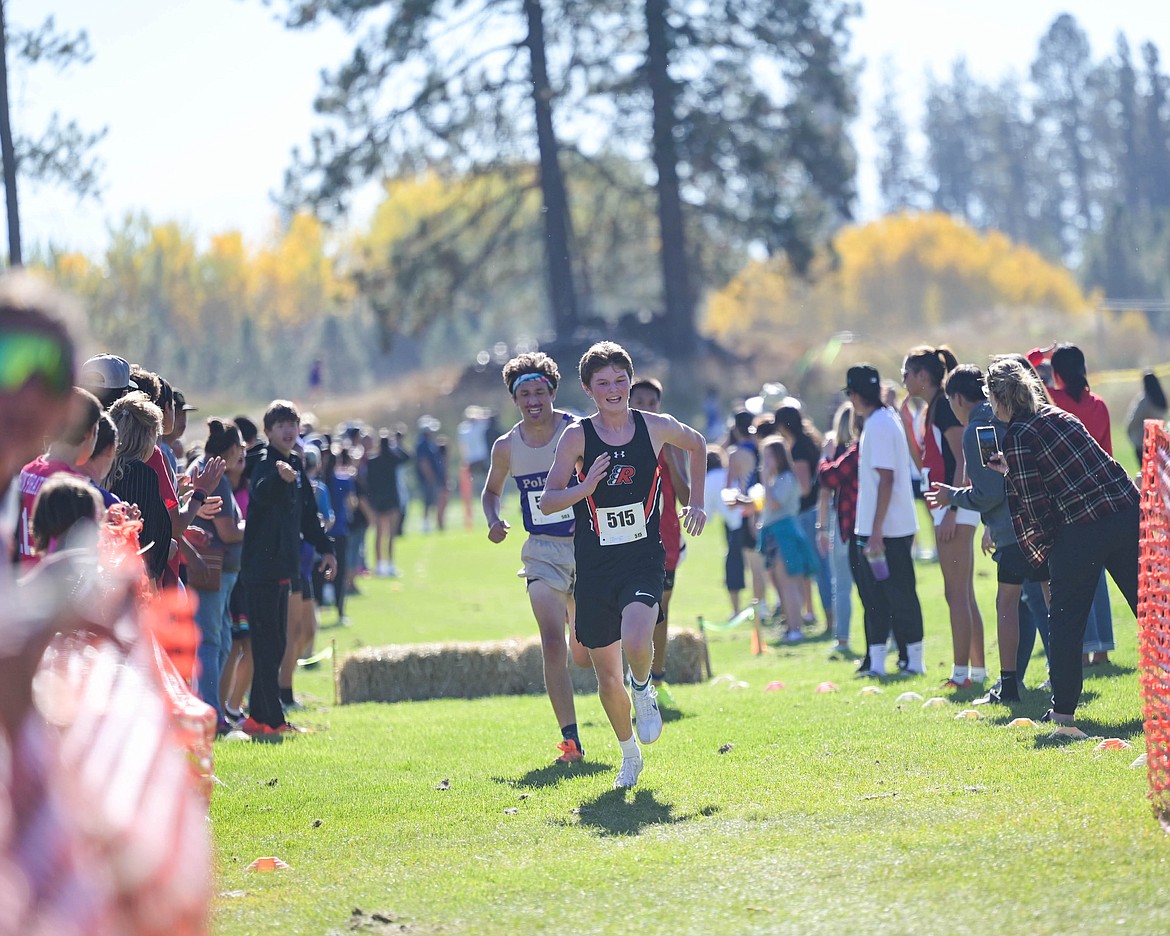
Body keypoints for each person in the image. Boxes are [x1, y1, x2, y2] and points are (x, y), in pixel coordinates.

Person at [541, 341, 707, 790]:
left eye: (620, 381)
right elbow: (550, 498)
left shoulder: (653, 427)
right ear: (588, 389)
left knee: (637, 640)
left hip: (642, 555)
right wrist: (586, 485)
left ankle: (645, 688)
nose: (614, 390)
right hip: (595, 564)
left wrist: (700, 503)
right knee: (604, 675)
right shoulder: (577, 436)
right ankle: (629, 755)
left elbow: (698, 444)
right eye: (603, 383)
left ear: (630, 382)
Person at [985, 358, 1139, 730]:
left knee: (1066, 623)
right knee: (1151, 611)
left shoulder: (1016, 435)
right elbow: (1089, 465)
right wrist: (1015, 468)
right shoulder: (1059, 416)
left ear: (999, 399)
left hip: (1082, 527)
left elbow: (1036, 508)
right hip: (1125, 511)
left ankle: (1064, 714)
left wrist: (1047, 551)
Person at [482, 352, 589, 763]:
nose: (533, 401)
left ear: (552, 393)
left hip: (586, 547)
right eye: (524, 393)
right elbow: (491, 491)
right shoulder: (506, 446)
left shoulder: (575, 431)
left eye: (540, 392)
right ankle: (571, 740)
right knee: (551, 641)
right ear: (514, 398)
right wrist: (493, 519)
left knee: (586, 651)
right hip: (541, 550)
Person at [926, 364, 1050, 705]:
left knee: (1007, 603)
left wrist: (951, 495)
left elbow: (992, 491)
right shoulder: (1013, 413)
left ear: (955, 398)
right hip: (1041, 523)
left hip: (1014, 530)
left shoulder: (977, 428)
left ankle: (1009, 685)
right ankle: (1065, 677)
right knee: (1049, 601)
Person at [238, 400, 337, 736]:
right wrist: (280, 480)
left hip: (285, 567)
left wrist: (326, 548)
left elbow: (309, 517)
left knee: (278, 643)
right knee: (267, 644)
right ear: (267, 431)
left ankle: (265, 717)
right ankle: (265, 720)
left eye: (291, 423)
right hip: (261, 570)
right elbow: (261, 494)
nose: (287, 429)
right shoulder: (265, 464)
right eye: (280, 424)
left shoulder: (295, 463)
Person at [901, 345, 985, 688]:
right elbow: (924, 458)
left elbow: (961, 459)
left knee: (956, 593)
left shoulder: (946, 408)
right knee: (962, 593)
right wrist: (907, 421)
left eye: (907, 373)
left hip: (955, 506)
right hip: (947, 506)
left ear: (923, 376)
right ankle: (977, 672)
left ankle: (961, 674)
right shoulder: (931, 409)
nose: (903, 379)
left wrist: (951, 508)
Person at [843, 364, 925, 678]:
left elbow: (886, 480)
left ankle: (914, 661)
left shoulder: (878, 425)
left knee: (899, 595)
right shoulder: (883, 419)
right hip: (880, 527)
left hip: (888, 530)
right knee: (876, 598)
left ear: (854, 394)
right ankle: (877, 662)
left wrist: (876, 532)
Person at [1048, 343, 1117, 667]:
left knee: (1077, 578)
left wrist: (1038, 355)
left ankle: (1087, 647)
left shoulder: (1055, 401)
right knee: (1099, 575)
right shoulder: (1100, 405)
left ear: (1057, 373)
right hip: (1101, 495)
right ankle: (1101, 647)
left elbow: (1026, 376)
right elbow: (1107, 451)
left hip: (1067, 499)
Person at [630, 377, 689, 697]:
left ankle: (658, 678)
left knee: (660, 610)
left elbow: (685, 494)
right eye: (640, 401)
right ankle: (633, 679)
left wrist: (672, 457)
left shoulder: (668, 441)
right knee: (629, 610)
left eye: (653, 403)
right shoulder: (615, 438)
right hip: (625, 539)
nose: (647, 408)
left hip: (664, 539)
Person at [187, 419, 245, 728]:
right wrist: (252, 527)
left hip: (220, 572)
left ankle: (214, 709)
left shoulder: (204, 466)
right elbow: (228, 530)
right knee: (211, 642)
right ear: (234, 448)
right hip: (213, 571)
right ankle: (211, 712)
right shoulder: (215, 474)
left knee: (220, 641)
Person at [16, 386, 102, 565]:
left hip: (20, 581)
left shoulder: (26, 471)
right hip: (52, 586)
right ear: (90, 433)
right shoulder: (75, 488)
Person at [757, 437, 820, 643]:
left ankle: (795, 629)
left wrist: (765, 481)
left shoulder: (785, 478)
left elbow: (774, 505)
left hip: (785, 535)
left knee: (789, 584)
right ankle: (790, 626)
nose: (765, 461)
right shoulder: (779, 478)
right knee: (782, 584)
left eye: (768, 456)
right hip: (777, 534)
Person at [773, 404, 828, 633]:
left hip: (808, 513)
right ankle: (814, 614)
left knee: (819, 569)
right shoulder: (807, 441)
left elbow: (804, 488)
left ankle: (829, 622)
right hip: (812, 511)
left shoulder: (799, 449)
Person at [816, 402, 859, 657]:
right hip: (861, 520)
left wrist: (821, 528)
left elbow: (824, 490)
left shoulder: (837, 456)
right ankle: (888, 638)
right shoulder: (863, 449)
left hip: (841, 521)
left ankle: (842, 638)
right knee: (872, 583)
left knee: (841, 584)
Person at [366, 429, 409, 576]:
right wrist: (398, 444)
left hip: (378, 501)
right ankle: (389, 564)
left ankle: (379, 565)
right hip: (392, 500)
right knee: (390, 533)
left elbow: (368, 483)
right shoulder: (392, 459)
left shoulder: (372, 461)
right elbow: (407, 457)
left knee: (379, 533)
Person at [1125, 370, 1167, 467]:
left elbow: (1134, 418)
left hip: (1143, 441)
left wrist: (1129, 430)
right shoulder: (1161, 398)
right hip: (1158, 441)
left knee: (1146, 472)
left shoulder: (1145, 400)